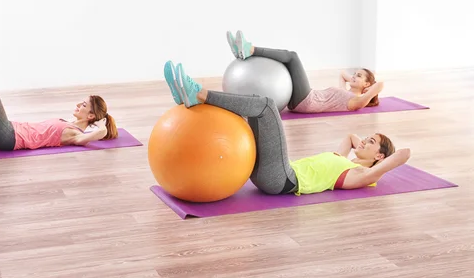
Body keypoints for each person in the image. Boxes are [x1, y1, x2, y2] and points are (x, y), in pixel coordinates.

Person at [162, 60, 411, 195]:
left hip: (282, 179)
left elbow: (400, 157)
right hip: (269, 175)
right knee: (257, 110)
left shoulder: (361, 176)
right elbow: (349, 136)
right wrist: (364, 147)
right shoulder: (344, 160)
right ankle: (192, 95)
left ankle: (199, 94)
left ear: (380, 156)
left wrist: (376, 162)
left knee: (267, 106)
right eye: (367, 138)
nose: (364, 141)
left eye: (371, 142)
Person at [225, 30, 384, 113]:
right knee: (288, 63)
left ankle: (250, 49)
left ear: (368, 84)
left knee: (292, 57)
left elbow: (380, 85)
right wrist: (355, 80)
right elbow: (342, 74)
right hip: (305, 100)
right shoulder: (347, 94)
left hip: (308, 101)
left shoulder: (356, 103)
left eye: (360, 76)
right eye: (355, 74)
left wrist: (367, 91)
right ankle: (242, 52)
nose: (354, 76)